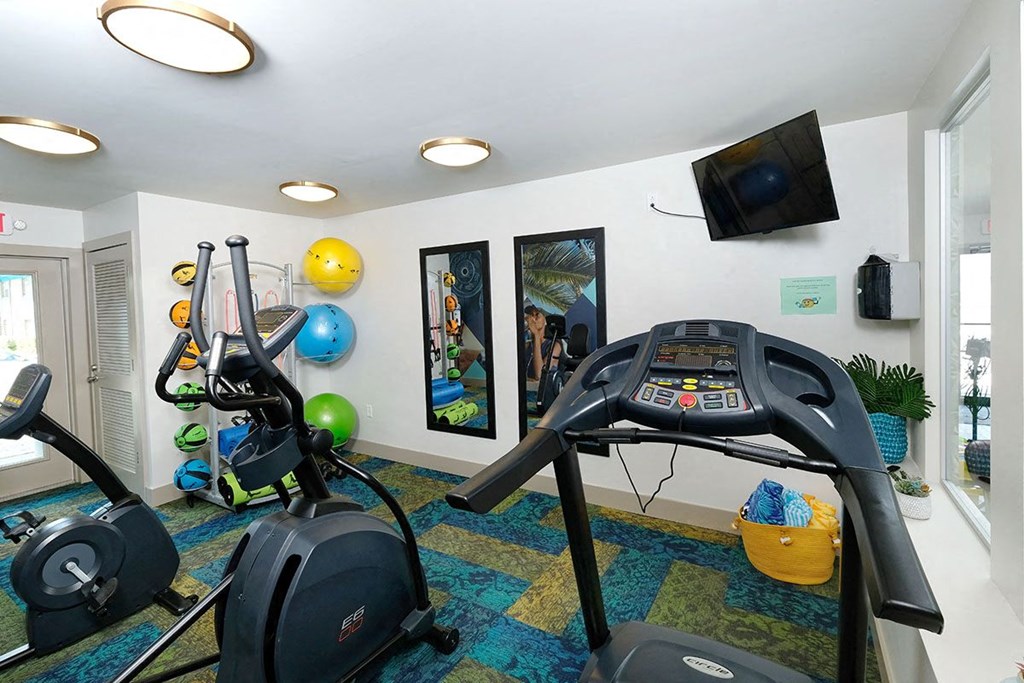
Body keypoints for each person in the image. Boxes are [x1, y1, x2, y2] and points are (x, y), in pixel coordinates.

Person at [524, 305, 560, 380]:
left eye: (537, 315)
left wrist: (537, 335)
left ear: (545, 320)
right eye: (531, 315)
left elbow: (539, 375)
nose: (534, 319)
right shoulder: (527, 345)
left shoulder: (555, 346)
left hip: (545, 390)